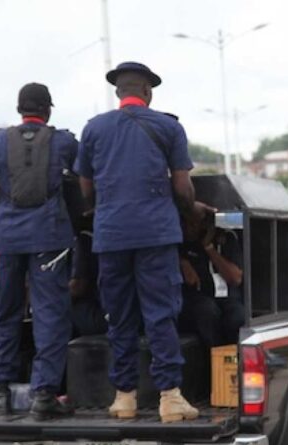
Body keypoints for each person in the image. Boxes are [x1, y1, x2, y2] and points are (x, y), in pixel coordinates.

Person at [75, 61, 208, 423]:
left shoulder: (94, 129)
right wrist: (193, 208)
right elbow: (182, 189)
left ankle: (124, 398)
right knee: (160, 315)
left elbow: (85, 190)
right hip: (155, 235)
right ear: (148, 92)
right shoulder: (168, 127)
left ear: (118, 92)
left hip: (111, 235)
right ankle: (169, 398)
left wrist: (105, 210)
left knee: (119, 316)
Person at [0, 82, 78, 420]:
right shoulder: (64, 141)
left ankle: (1, 391)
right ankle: (43, 394)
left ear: (20, 110)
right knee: (50, 315)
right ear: (48, 110)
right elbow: (85, 180)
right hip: (49, 238)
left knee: (6, 312)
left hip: (8, 240)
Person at [179, 212, 245, 347]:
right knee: (207, 312)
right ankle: (216, 362)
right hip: (200, 297)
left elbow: (235, 278)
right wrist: (182, 262)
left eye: (194, 223)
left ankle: (234, 361)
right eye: (187, 224)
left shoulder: (227, 238)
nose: (190, 228)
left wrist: (209, 248)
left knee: (237, 317)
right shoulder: (181, 244)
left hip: (227, 297)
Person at [69, 231, 108, 337]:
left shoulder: (83, 240)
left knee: (53, 307)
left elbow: (77, 287)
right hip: (120, 314)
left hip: (97, 315)